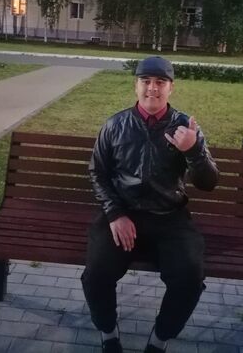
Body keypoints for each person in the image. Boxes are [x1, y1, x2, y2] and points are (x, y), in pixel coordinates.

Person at [81, 56, 219, 353]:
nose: (152, 88)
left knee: (189, 278)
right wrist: (115, 213)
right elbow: (98, 172)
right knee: (96, 275)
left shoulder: (185, 127)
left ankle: (160, 338)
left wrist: (193, 150)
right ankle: (108, 331)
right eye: (146, 81)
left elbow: (208, 182)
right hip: (122, 214)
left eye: (160, 82)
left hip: (169, 216)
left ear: (171, 87)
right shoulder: (115, 125)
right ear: (136, 85)